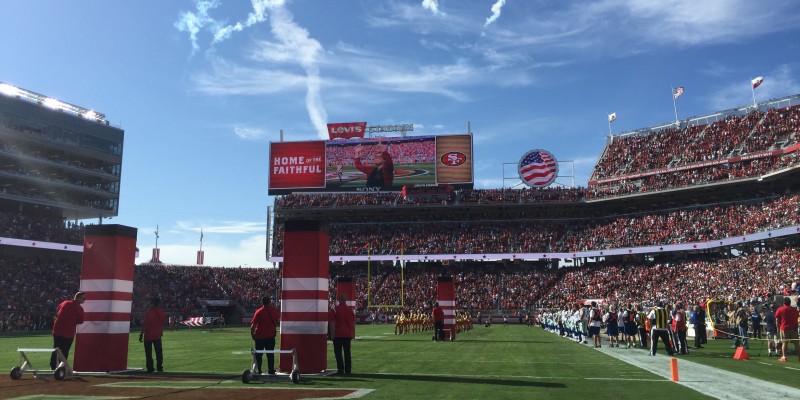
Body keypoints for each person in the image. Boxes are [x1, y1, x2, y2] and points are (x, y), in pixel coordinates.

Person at [50, 292, 85, 370]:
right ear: (79, 298)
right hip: (68, 332)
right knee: (64, 351)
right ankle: (61, 368)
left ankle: (52, 367)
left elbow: (58, 312)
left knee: (56, 349)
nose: (84, 300)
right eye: (83, 298)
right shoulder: (79, 308)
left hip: (57, 330)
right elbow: (81, 321)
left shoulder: (64, 303)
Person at [251, 296, 280, 375]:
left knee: (259, 355)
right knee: (270, 354)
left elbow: (253, 325)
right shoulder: (274, 310)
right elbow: (276, 320)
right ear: (269, 302)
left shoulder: (258, 311)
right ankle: (271, 370)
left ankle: (259, 370)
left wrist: (252, 335)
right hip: (270, 336)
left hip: (260, 336)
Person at [139, 297, 166, 373]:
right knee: (159, 352)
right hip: (158, 335)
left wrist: (141, 334)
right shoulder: (161, 312)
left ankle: (150, 368)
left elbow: (145, 325)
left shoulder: (149, 313)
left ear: (152, 303)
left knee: (148, 353)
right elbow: (163, 322)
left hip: (148, 336)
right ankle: (159, 368)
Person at [330, 294, 355, 375]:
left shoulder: (335, 310)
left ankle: (340, 369)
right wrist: (353, 333)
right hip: (348, 333)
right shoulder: (350, 309)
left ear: (338, 300)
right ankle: (348, 370)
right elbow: (353, 323)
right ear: (345, 300)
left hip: (338, 334)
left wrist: (332, 334)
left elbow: (332, 323)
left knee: (338, 353)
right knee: (347, 352)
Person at [774, 297, 799, 362]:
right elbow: (797, 318)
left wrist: (777, 328)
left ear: (784, 302)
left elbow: (777, 320)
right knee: (797, 343)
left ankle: (784, 357)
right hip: (793, 328)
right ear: (790, 302)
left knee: (784, 343)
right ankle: (799, 357)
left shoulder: (780, 309)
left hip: (784, 328)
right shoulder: (794, 310)